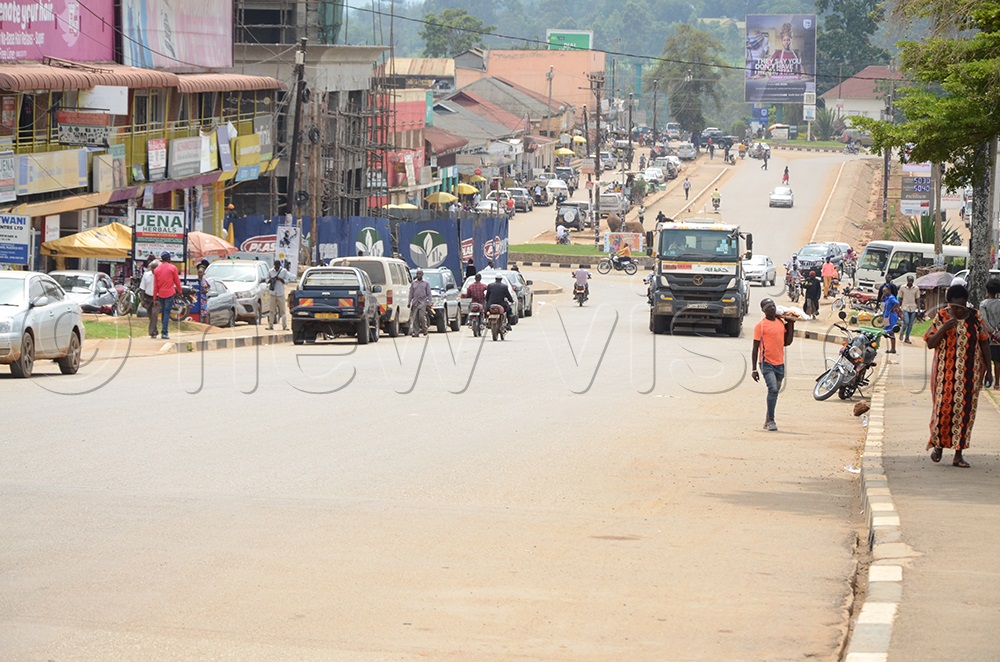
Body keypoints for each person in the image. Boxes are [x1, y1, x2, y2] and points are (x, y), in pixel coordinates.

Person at [924, 284, 992, 468]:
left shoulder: (975, 317)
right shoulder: (942, 317)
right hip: (945, 375)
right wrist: (943, 329)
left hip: (970, 375)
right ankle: (938, 446)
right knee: (943, 411)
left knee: (965, 413)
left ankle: (958, 454)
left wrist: (989, 371)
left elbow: (984, 342)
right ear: (949, 304)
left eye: (962, 307)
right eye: (955, 307)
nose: (959, 310)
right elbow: (930, 343)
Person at [751, 298, 795, 432]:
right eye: (768, 306)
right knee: (773, 389)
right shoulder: (761, 326)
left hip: (780, 363)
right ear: (763, 310)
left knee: (774, 392)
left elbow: (787, 342)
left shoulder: (780, 323)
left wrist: (791, 324)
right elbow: (755, 348)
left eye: (773, 306)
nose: (772, 308)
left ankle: (767, 418)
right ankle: (771, 420)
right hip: (766, 363)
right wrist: (754, 369)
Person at [153, 251, 181, 340]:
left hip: (161, 294)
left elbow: (155, 285)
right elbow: (177, 281)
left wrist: (154, 297)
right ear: (168, 258)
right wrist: (180, 291)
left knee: (164, 312)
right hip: (170, 293)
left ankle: (163, 331)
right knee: (167, 313)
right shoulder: (173, 268)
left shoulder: (157, 269)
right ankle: (164, 332)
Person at [979, 278, 1000, 390]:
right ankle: (997, 383)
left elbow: (983, 320)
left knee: (984, 360)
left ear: (987, 290)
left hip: (987, 336)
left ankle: (980, 382)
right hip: (999, 337)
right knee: (997, 361)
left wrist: (991, 330)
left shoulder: (984, 304)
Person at [267, 259, 293, 331]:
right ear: (274, 266)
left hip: (280, 293)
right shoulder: (270, 271)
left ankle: (284, 326)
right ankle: (270, 326)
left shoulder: (283, 271)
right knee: (272, 311)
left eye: (278, 267)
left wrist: (280, 279)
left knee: (283, 311)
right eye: (276, 267)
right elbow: (266, 280)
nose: (277, 268)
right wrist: (272, 279)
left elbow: (287, 281)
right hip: (272, 293)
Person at [139, 255, 160, 339]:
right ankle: (155, 331)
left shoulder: (161, 276)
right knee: (150, 315)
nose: (154, 270)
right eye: (153, 268)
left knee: (155, 314)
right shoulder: (146, 275)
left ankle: (151, 331)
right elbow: (142, 288)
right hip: (148, 297)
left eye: (156, 268)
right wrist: (142, 300)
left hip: (157, 298)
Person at [408, 268, 432, 337]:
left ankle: (425, 329)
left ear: (422, 275)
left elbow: (429, 294)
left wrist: (429, 302)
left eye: (420, 274)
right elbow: (411, 293)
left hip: (423, 303)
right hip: (415, 303)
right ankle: (416, 332)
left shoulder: (426, 283)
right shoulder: (413, 283)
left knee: (421, 316)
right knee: (415, 318)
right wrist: (409, 302)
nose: (418, 275)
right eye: (417, 274)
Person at [898, 274, 920, 343]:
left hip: (913, 307)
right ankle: (902, 332)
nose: (911, 282)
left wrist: (919, 308)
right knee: (906, 322)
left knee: (910, 324)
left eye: (912, 281)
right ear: (907, 280)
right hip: (905, 307)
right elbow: (900, 298)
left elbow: (918, 299)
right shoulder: (902, 287)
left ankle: (907, 338)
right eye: (910, 281)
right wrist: (899, 306)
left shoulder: (916, 288)